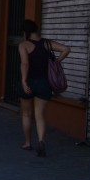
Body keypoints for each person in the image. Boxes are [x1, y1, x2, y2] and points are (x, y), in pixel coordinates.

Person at [18, 19, 70, 157]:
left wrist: (23, 81)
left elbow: (24, 63)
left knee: (26, 114)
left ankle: (28, 143)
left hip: (29, 82)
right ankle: (41, 141)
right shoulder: (47, 43)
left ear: (25, 32)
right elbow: (66, 49)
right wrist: (56, 62)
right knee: (40, 115)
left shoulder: (24, 45)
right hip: (44, 83)